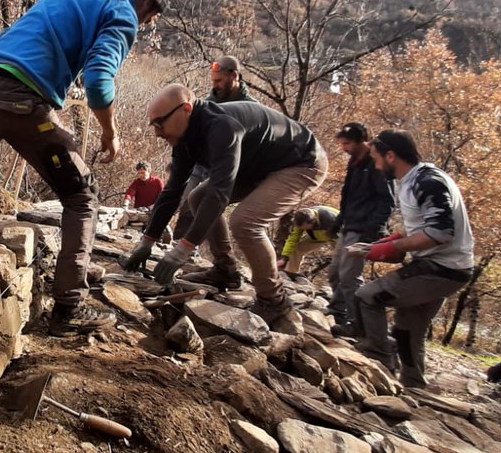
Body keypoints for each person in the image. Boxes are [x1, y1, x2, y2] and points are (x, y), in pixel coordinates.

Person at [0, 0, 169, 337]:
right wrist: (110, 134)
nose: (149, 21)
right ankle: (69, 307)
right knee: (82, 196)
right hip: (19, 97)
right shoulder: (124, 14)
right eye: (152, 14)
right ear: (144, 1)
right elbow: (97, 79)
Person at [119, 85, 327, 328]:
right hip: (256, 165)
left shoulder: (223, 127)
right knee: (196, 197)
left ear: (186, 109)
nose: (157, 133)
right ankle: (225, 270)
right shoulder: (185, 138)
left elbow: (219, 193)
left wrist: (182, 250)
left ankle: (274, 301)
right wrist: (147, 241)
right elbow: (173, 191)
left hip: (301, 163)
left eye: (160, 124)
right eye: (153, 125)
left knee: (245, 222)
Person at [354, 130, 475, 388]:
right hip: (442, 266)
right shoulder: (414, 180)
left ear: (391, 155)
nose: (375, 166)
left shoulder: (427, 182)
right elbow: (421, 227)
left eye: (376, 159)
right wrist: (384, 244)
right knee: (407, 329)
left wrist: (395, 245)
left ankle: (378, 355)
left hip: (441, 269)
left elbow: (440, 232)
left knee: (368, 296)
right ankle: (414, 385)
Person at [172, 57, 258, 247]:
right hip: (201, 166)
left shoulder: (252, 108)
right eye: (213, 81)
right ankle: (176, 246)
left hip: (226, 169)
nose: (215, 85)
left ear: (234, 76)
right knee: (187, 203)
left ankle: (205, 255)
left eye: (219, 81)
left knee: (208, 207)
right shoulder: (209, 103)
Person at [326, 123, 395, 337]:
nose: (343, 148)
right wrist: (339, 220)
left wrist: (373, 230)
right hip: (349, 224)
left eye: (347, 143)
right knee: (335, 271)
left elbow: (387, 201)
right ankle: (337, 311)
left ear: (361, 142)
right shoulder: (354, 163)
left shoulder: (376, 165)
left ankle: (357, 324)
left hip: (363, 228)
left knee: (349, 276)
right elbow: (347, 195)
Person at [278, 206, 339, 276]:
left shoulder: (331, 219)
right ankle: (290, 274)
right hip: (317, 236)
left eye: (305, 228)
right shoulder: (301, 219)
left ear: (313, 222)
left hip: (340, 235)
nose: (303, 230)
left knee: (342, 258)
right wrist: (284, 258)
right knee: (297, 248)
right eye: (302, 228)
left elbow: (341, 241)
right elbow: (293, 240)